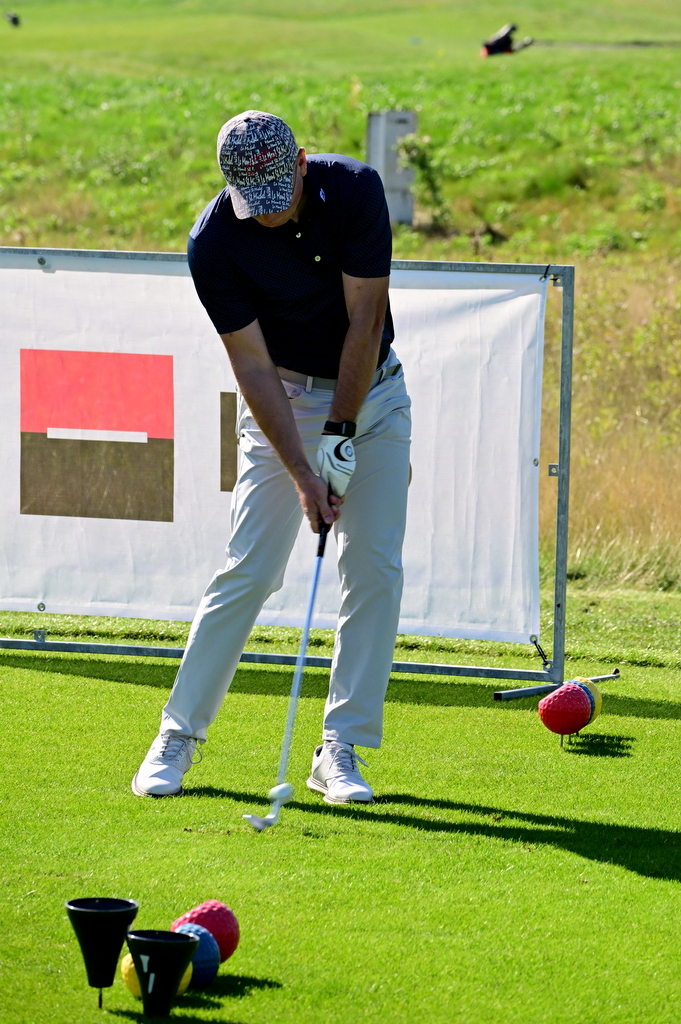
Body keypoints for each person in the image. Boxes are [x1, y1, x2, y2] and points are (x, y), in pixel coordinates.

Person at [132, 110, 411, 805]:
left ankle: (340, 748)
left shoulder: (355, 191)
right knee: (250, 570)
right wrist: (302, 473)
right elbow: (253, 369)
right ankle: (178, 733)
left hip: (373, 396)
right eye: (253, 201)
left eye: (279, 196)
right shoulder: (214, 244)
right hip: (283, 397)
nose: (269, 212)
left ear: (302, 162)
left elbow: (366, 320)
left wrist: (340, 432)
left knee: (373, 568)